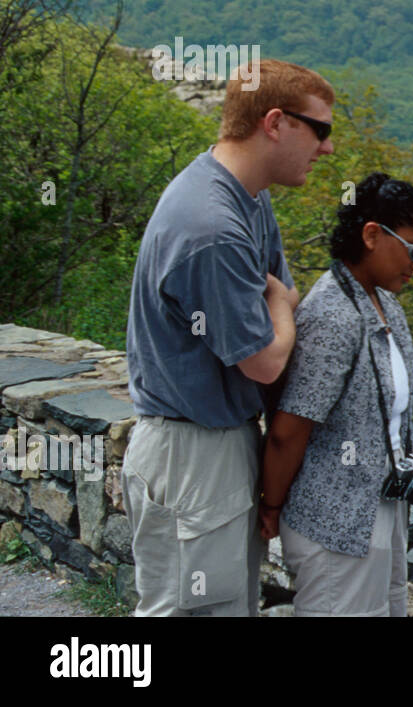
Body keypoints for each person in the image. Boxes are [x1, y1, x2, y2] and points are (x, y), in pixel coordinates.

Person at [122, 57, 336, 617]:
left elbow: (277, 291)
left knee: (227, 607)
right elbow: (265, 359)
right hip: (192, 452)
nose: (328, 149)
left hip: (217, 444)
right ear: (275, 123)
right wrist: (279, 306)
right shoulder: (212, 227)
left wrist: (276, 303)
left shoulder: (247, 196)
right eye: (322, 130)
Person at [259, 173, 413, 617]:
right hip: (336, 523)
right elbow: (289, 428)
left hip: (378, 510)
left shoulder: (382, 303)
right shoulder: (333, 315)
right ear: (373, 235)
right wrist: (272, 506)